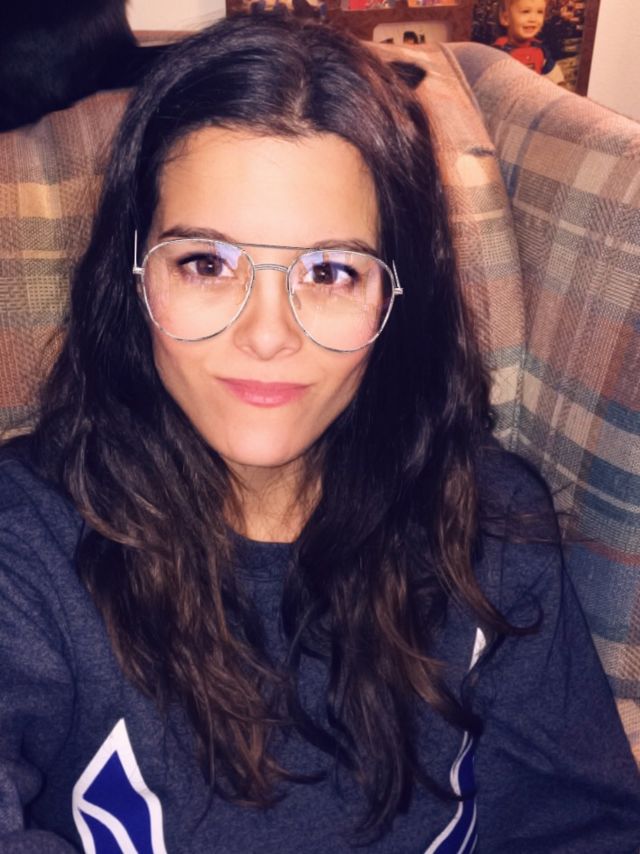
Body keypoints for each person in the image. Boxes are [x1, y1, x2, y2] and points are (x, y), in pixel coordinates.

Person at [0, 12, 638, 853]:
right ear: (134, 279)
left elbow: (576, 826)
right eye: (206, 263)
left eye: (331, 272)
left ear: (396, 299)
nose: (268, 335)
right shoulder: (25, 545)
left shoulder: (488, 526)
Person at [494, 0, 565, 85]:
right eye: (526, 11)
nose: (533, 19)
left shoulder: (540, 50)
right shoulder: (499, 53)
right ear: (506, 18)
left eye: (539, 12)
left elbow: (556, 78)